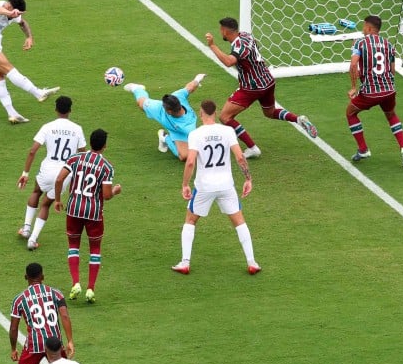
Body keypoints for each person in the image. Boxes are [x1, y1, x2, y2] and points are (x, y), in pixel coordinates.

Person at [204, 18, 317, 159]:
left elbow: (228, 62)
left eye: (221, 29)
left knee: (225, 117)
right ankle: (298, 119)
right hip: (267, 80)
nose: (220, 31)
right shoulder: (246, 35)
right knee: (269, 112)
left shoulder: (239, 46)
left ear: (225, 31)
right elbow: (255, 46)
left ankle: (252, 148)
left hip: (252, 87)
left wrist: (212, 45)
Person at [173, 99, 259, 276]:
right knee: (239, 222)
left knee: (190, 221)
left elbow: (190, 162)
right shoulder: (227, 131)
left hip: (204, 187)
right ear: (215, 112)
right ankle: (252, 262)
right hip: (226, 185)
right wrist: (248, 179)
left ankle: (185, 262)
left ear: (201, 113)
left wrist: (185, 185)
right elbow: (240, 157)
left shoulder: (196, 134)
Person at [54, 129, 122, 304]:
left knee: (73, 246)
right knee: (95, 250)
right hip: (94, 212)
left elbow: (59, 179)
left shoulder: (76, 158)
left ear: (90, 142)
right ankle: (91, 288)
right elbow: (106, 195)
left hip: (74, 209)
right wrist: (115, 191)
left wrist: (57, 200)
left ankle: (76, 282)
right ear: (104, 146)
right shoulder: (106, 167)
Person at [0, 0, 59, 124]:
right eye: (10, 9)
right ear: (9, 5)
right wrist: (10, 12)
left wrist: (29, 37)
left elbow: (22, 23)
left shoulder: (14, 15)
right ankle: (38, 93)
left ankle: (12, 114)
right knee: (9, 69)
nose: (11, 14)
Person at [18, 96, 87, 251]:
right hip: (65, 174)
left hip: (47, 169)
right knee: (46, 204)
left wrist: (25, 173)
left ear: (55, 109)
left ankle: (26, 228)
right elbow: (83, 154)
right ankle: (33, 239)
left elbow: (32, 151)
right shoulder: (77, 129)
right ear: (70, 110)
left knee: (36, 191)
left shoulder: (48, 127)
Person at [346, 15, 403, 167]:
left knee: (350, 113)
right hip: (389, 90)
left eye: (363, 27)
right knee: (391, 115)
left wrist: (354, 87)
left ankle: (363, 149)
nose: (362, 30)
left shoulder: (360, 43)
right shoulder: (388, 44)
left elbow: (353, 64)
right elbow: (393, 70)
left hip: (370, 92)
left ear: (369, 28)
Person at [121, 73, 205, 161]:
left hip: (180, 132)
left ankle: (164, 137)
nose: (162, 106)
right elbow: (190, 87)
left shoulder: (189, 128)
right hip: (173, 125)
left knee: (184, 157)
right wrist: (198, 79)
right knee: (141, 103)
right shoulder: (165, 105)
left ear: (169, 111)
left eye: (164, 107)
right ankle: (137, 88)